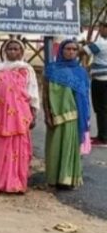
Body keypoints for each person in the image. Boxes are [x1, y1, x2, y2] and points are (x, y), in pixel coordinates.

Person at [0, 39, 39, 193]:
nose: (13, 51)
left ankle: (17, 183)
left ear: (21, 52)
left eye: (16, 49)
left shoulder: (27, 69)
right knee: (0, 146)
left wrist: (34, 113)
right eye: (10, 49)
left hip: (21, 114)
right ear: (4, 51)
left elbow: (32, 91)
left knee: (19, 147)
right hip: (0, 114)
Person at [43, 40, 90, 189]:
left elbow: (85, 97)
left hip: (73, 116)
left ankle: (67, 180)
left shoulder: (81, 72)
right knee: (54, 149)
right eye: (67, 49)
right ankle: (54, 179)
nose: (71, 52)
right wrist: (47, 114)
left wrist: (86, 117)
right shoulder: (51, 69)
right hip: (56, 116)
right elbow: (45, 94)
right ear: (61, 50)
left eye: (74, 49)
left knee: (70, 149)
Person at [82, 22, 107, 145]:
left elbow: (83, 51)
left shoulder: (101, 44)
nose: (100, 31)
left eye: (102, 29)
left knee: (100, 108)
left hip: (100, 80)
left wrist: (85, 65)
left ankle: (103, 137)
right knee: (104, 108)